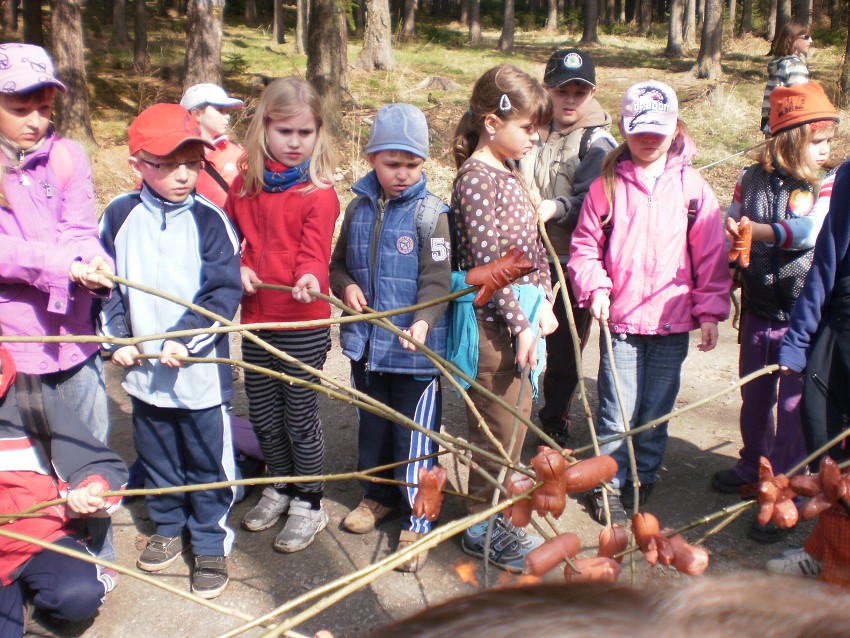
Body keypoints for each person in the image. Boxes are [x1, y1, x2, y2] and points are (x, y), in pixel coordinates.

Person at [568, 81, 730, 524]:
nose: (648, 139)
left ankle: (646, 475)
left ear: (675, 127)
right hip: (620, 322)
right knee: (616, 410)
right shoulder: (608, 185)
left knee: (656, 410)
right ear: (624, 128)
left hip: (671, 323)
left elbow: (711, 256)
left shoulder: (693, 189)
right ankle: (610, 483)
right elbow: (584, 246)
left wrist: (711, 311)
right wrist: (596, 287)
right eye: (639, 130)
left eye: (658, 130)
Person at [99, 103, 242, 599]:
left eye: (193, 162)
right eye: (169, 163)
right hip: (142, 375)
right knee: (157, 452)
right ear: (137, 163)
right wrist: (115, 337)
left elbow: (223, 294)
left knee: (205, 458)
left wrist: (185, 340)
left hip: (198, 374)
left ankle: (208, 539)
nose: (185, 174)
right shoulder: (119, 214)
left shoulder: (212, 220)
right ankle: (166, 524)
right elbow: (106, 287)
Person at [0, 42, 115, 562]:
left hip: (75, 340)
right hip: (16, 348)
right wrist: (61, 267)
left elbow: (78, 229)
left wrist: (94, 263)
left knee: (90, 457)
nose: (35, 121)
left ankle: (95, 562)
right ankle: (35, 561)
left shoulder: (67, 156)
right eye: (20, 108)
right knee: (30, 463)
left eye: (44, 108)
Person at [712, 82, 839, 543]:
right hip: (760, 311)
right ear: (788, 139)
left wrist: (759, 232)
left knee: (791, 407)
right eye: (818, 140)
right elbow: (734, 214)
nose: (827, 149)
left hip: (802, 320)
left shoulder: (826, 185)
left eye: (829, 140)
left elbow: (809, 233)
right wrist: (733, 233)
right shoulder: (750, 177)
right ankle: (753, 464)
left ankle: (784, 489)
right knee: (755, 397)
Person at [329, 103, 451, 573]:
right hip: (367, 347)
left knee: (415, 437)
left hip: (415, 354)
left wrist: (422, 321)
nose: (401, 174)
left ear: (424, 163)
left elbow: (438, 280)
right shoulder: (357, 208)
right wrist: (347, 286)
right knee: (375, 428)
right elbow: (337, 264)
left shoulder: (431, 214)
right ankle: (377, 496)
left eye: (412, 165)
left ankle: (419, 520)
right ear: (371, 159)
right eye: (391, 163)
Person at [450, 64, 558, 572]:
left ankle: (494, 515)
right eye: (529, 127)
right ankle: (481, 527)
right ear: (492, 122)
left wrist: (547, 307)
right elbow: (491, 265)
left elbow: (531, 253)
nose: (535, 136)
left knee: (515, 428)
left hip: (524, 321)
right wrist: (519, 325)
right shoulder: (475, 179)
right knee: (497, 430)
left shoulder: (509, 170)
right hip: (497, 328)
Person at [225, 77, 339, 554]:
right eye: (284, 131)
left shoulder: (319, 193)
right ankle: (279, 483)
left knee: (298, 415)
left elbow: (314, 252)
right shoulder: (245, 186)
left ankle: (310, 501)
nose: (295, 143)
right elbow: (233, 242)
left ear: (318, 134)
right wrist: (240, 267)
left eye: (305, 133)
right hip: (257, 318)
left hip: (302, 321)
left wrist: (310, 276)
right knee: (266, 415)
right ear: (263, 129)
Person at [520, 48, 617, 446]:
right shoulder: (528, 129)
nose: (571, 99)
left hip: (570, 262)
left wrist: (556, 208)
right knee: (519, 336)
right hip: (524, 258)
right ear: (549, 90)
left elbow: (597, 202)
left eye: (581, 91)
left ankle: (555, 417)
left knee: (565, 351)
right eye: (563, 90)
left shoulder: (598, 143)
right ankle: (514, 410)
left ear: (591, 93)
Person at [0, 346, 127, 638]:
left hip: (38, 535)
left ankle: (37, 594)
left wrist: (92, 487)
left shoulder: (30, 400)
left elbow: (96, 462)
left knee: (78, 595)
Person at [772, 145, 850, 585]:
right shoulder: (848, 178)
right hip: (842, 331)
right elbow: (826, 262)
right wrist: (798, 341)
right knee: (833, 457)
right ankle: (826, 555)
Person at [180, 83, 245, 208]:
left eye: (227, 111)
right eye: (220, 110)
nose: (227, 116)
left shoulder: (238, 153)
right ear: (197, 114)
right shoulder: (172, 155)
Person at [761, 21, 812, 135]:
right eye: (806, 37)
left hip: (772, 123)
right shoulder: (795, 65)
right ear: (791, 39)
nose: (810, 41)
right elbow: (799, 100)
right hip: (788, 126)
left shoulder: (780, 61)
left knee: (773, 153)